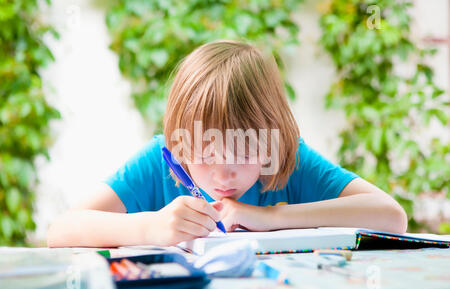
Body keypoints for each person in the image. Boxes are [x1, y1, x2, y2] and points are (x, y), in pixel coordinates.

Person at [47, 40, 407, 248]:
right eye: (204, 154)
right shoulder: (160, 160)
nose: (223, 173)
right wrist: (149, 227)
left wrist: (271, 217)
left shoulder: (289, 158)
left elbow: (391, 216)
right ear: (180, 145)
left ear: (272, 142)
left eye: (245, 151)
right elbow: (60, 231)